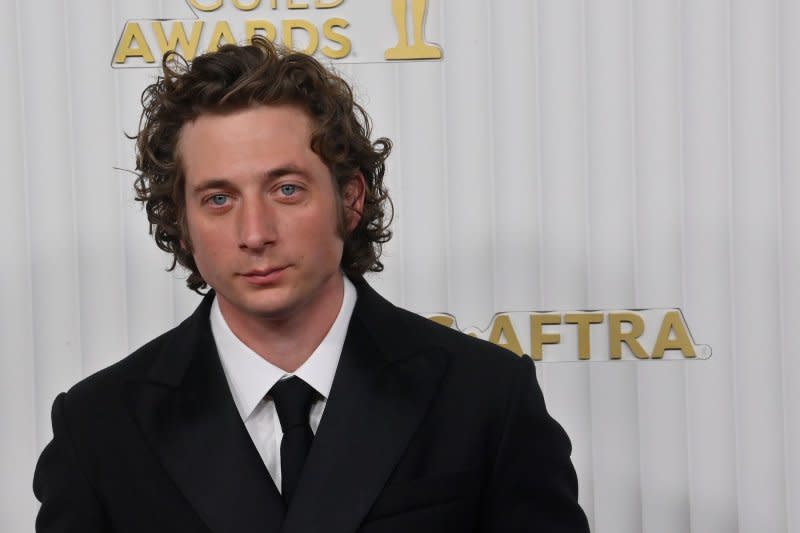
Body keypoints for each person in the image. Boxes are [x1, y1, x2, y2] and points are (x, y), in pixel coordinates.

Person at [33, 37, 589, 532]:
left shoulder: (485, 397)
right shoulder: (99, 427)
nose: (255, 233)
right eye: (218, 199)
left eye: (287, 190)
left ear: (350, 199)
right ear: (181, 225)